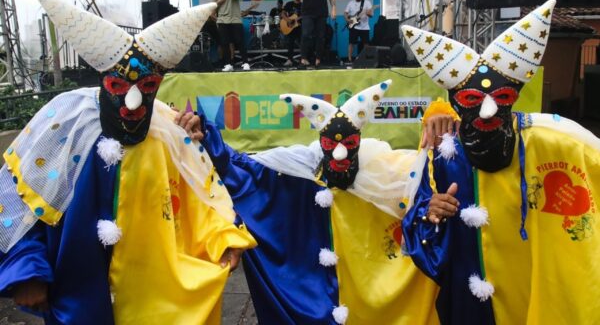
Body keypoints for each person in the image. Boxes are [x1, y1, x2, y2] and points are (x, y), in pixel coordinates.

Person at [0, 0, 257, 324]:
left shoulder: (168, 129)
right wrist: (26, 270)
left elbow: (201, 194)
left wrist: (224, 237)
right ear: (104, 82)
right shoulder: (67, 124)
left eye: (147, 86)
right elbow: (20, 199)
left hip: (156, 298)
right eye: (119, 88)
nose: (133, 102)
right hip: (78, 296)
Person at [176, 80, 459, 324]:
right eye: (331, 145)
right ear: (321, 144)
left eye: (348, 145)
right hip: (316, 296)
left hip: (372, 294)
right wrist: (207, 138)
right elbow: (243, 170)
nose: (339, 154)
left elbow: (423, 173)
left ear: (358, 143)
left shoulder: (383, 172)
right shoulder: (298, 171)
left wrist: (442, 119)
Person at [401, 0, 600, 324]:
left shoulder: (547, 142)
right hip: (468, 301)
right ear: (456, 104)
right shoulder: (442, 157)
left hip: (531, 290)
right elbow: (415, 224)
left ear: (515, 98)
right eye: (471, 99)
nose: (488, 110)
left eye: (502, 97)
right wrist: (430, 211)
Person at [297, 0, 336, 67]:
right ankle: (304, 59)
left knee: (320, 37)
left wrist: (334, 8)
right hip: (307, 13)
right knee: (305, 35)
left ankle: (318, 60)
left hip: (321, 13)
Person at [211, 0, 249, 72]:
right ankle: (228, 64)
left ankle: (245, 62)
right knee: (224, 43)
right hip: (222, 20)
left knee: (239, 41)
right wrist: (219, 2)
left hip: (235, 19)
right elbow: (212, 9)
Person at [344, 0, 374, 64]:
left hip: (365, 27)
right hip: (354, 26)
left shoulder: (367, 3)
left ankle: (366, 59)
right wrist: (347, 20)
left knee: (366, 43)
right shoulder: (351, 3)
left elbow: (371, 15)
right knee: (351, 43)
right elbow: (345, 12)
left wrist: (368, 13)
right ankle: (349, 59)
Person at [280, 0, 302, 66]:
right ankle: (289, 60)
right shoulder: (289, 4)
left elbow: (306, 14)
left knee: (303, 43)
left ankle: (303, 59)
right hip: (290, 27)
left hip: (300, 26)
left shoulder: (303, 5)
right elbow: (282, 14)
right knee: (290, 43)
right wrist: (288, 20)